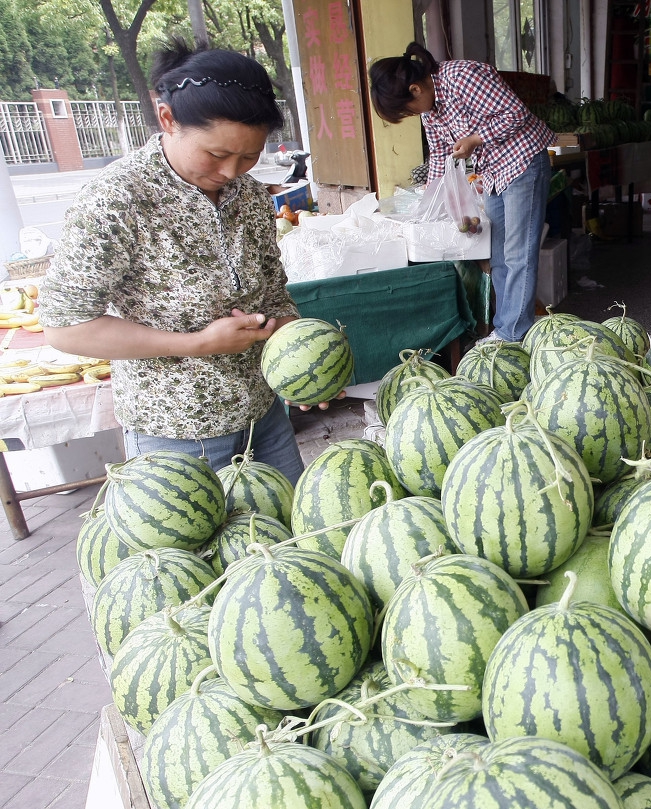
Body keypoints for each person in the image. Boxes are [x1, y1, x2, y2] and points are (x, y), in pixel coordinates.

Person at [38, 39, 330, 484]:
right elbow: (65, 327)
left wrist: (302, 366)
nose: (232, 171)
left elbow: (273, 295)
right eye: (216, 154)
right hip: (176, 432)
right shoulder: (116, 201)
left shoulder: (249, 195)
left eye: (249, 156)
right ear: (167, 118)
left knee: (286, 544)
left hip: (263, 416)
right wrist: (198, 344)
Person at [368, 43, 555, 344]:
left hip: (523, 163)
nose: (411, 114)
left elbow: (515, 113)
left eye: (406, 109)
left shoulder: (462, 77)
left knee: (519, 253)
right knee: (498, 256)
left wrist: (475, 139)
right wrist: (430, 201)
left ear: (415, 89)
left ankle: (513, 334)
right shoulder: (430, 110)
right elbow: (441, 155)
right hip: (493, 173)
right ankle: (506, 328)